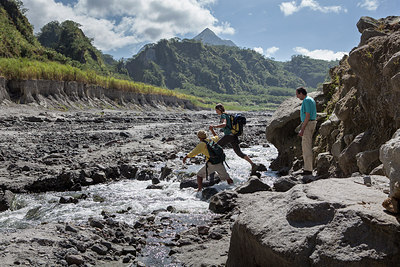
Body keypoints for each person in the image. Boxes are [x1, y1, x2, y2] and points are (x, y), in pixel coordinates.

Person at [209, 103, 259, 175]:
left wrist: (214, 126)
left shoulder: (223, 115)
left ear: (220, 109)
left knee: (215, 148)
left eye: (216, 110)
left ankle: (216, 167)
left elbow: (224, 124)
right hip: (234, 136)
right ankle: (253, 164)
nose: (216, 112)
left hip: (229, 136)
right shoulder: (228, 115)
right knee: (239, 153)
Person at [296, 87, 317, 175]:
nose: (297, 96)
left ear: (301, 93)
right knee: (307, 145)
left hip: (308, 124)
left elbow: (307, 115)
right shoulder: (311, 99)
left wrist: (302, 129)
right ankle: (308, 168)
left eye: (297, 94)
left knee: (306, 146)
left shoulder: (306, 101)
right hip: (311, 123)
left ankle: (308, 169)